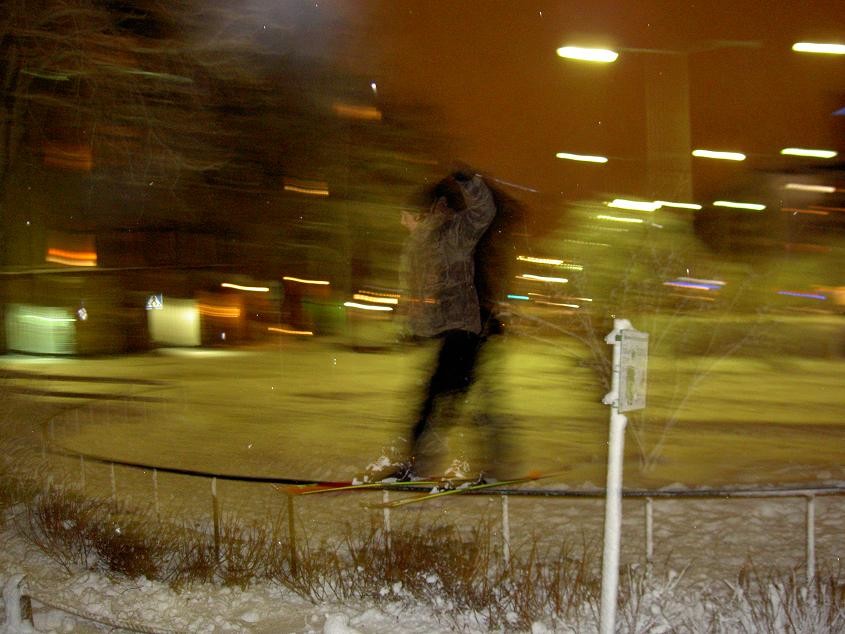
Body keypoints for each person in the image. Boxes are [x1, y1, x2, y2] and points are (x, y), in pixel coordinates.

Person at [367, 169, 497, 482]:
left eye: (405, 216)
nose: (401, 222)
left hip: (464, 331)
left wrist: (469, 182)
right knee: (450, 399)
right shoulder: (417, 246)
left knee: (442, 400)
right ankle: (440, 463)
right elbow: (416, 293)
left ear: (421, 215)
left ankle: (429, 464)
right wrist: (410, 326)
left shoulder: (451, 233)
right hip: (446, 334)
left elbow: (483, 212)